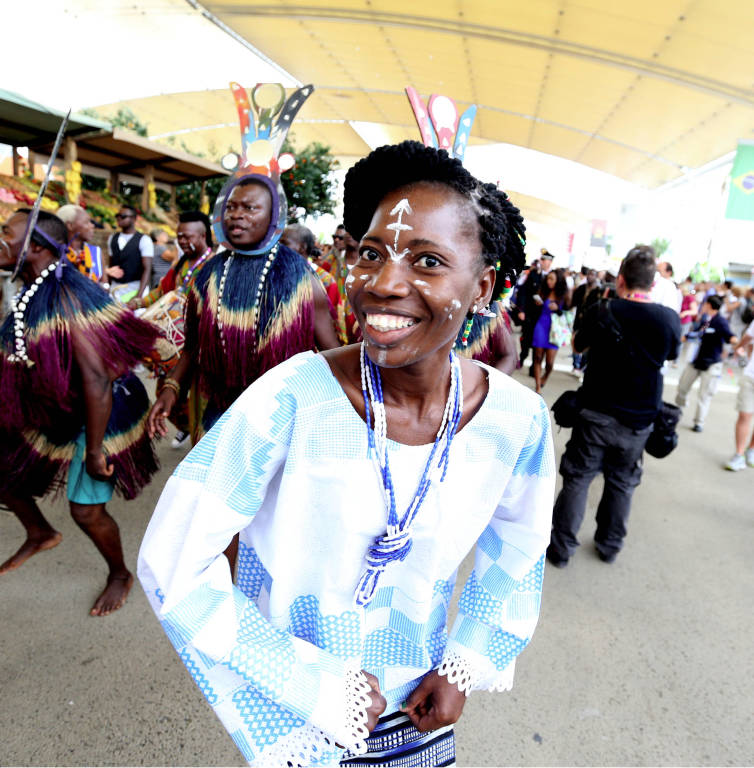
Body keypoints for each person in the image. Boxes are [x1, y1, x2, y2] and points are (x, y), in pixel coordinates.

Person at [138, 140, 554, 767]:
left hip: (418, 700)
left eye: (428, 260)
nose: (385, 284)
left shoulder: (516, 423)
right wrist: (310, 685)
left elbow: (520, 550)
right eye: (369, 253)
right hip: (292, 703)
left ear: (481, 287)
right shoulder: (292, 398)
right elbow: (175, 558)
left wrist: (465, 663)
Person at [146, 84, 340, 447]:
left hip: (281, 421)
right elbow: (192, 349)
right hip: (218, 415)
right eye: (232, 207)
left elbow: (330, 353)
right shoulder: (207, 276)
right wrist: (171, 391)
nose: (236, 215)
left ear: (273, 216)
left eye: (250, 208)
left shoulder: (300, 277)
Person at [0, 209, 159, 615]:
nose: (0, 237)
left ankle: (120, 573)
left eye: (6, 232)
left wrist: (94, 452)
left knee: (86, 510)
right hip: (61, 405)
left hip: (100, 410)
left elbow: (98, 381)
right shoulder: (33, 289)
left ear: (33, 247)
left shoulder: (68, 295)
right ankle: (39, 531)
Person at [547, 245, 681, 567]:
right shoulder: (668, 319)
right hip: (640, 419)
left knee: (578, 478)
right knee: (622, 483)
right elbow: (672, 355)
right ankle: (609, 546)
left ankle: (561, 550)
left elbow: (578, 345)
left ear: (620, 280)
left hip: (596, 412)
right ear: (652, 284)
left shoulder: (604, 310)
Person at [130, 212, 216, 448]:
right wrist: (137, 303)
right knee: (166, 395)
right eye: (179, 237)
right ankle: (189, 429)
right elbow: (161, 291)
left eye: (188, 237)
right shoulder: (181, 264)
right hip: (175, 347)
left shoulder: (214, 266)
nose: (182, 241)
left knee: (200, 400)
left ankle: (203, 440)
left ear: (203, 236)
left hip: (200, 346)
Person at [675, 294, 737, 433]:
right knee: (683, 386)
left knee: (704, 394)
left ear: (709, 305)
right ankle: (677, 411)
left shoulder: (720, 321)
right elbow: (697, 333)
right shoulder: (706, 320)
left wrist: (736, 342)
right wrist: (682, 338)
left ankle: (699, 422)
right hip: (696, 360)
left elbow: (729, 336)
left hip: (711, 363)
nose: (702, 305)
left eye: (704, 304)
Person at [530, 268, 570, 394]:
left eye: (552, 279)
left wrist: (558, 309)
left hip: (555, 329)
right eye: (548, 278)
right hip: (541, 325)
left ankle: (545, 376)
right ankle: (537, 387)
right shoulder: (544, 291)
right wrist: (537, 304)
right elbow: (535, 309)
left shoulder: (565, 294)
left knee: (550, 362)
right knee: (537, 357)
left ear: (558, 280)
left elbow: (569, 313)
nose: (549, 281)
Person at [106, 205, 153, 301]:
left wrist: (139, 295)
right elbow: (111, 264)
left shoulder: (144, 240)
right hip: (115, 288)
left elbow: (147, 269)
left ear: (134, 219)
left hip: (135, 287)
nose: (119, 218)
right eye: (117, 215)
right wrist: (108, 286)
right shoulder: (112, 238)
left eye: (123, 216)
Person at [725, 320, 754, 470]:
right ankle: (739, 454)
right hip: (751, 376)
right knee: (745, 415)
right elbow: (748, 339)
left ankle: (751, 450)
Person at [57, 204, 104, 282]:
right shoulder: (56, 254)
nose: (92, 225)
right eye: (87, 222)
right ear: (70, 226)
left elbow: (104, 283)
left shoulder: (96, 252)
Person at [570, 268, 600, 373]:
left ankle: (582, 365)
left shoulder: (598, 291)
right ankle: (576, 364)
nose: (590, 277)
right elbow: (573, 302)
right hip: (578, 320)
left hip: (590, 322)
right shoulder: (581, 288)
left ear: (596, 277)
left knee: (587, 344)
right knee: (574, 339)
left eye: (592, 275)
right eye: (589, 274)